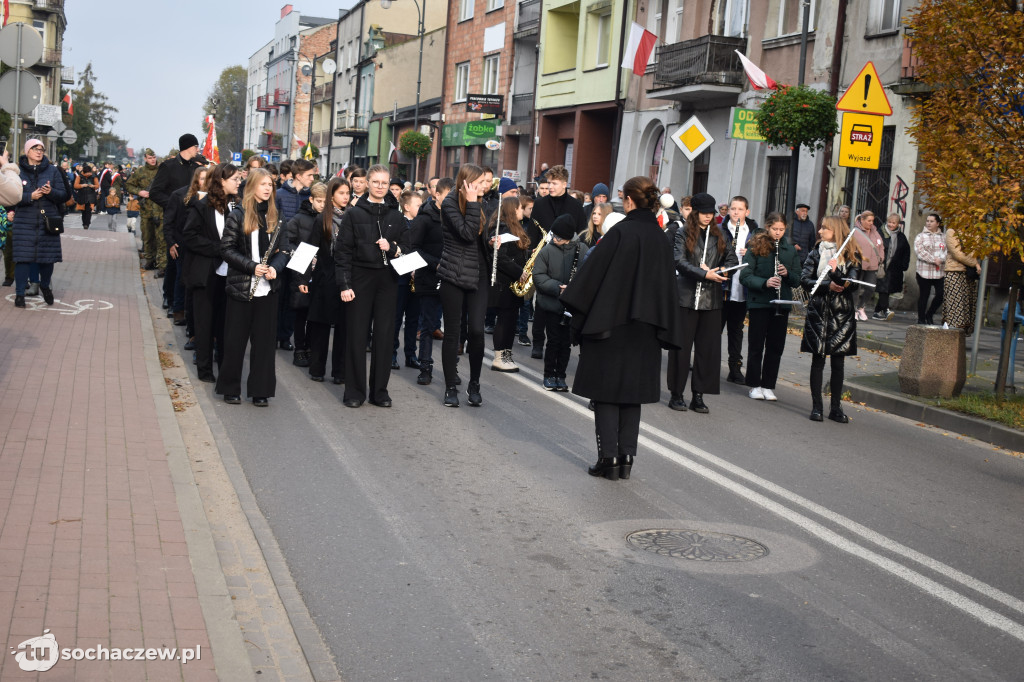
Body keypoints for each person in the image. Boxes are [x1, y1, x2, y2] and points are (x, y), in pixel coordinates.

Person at [561, 175, 681, 481]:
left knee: (606, 394)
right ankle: (626, 459)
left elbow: (591, 277)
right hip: (646, 330)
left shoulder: (619, 233)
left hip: (611, 326)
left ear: (628, 201)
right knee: (632, 395)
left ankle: (609, 460)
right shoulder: (659, 237)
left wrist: (574, 308)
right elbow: (668, 286)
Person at [335, 164, 409, 408]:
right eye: (375, 182)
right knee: (356, 335)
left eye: (384, 183)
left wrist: (394, 248)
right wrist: (345, 284)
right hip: (360, 278)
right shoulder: (354, 214)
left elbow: (408, 250)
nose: (380, 186)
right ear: (367, 183)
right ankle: (354, 392)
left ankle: (380, 392)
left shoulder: (396, 216)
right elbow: (342, 251)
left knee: (385, 337)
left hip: (387, 280)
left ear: (389, 186)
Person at [215, 168, 287, 406]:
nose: (268, 188)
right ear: (252, 186)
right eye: (263, 184)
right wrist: (251, 266)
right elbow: (226, 250)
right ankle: (230, 388)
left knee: (264, 344)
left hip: (268, 289)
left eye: (271, 185)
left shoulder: (277, 215)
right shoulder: (238, 214)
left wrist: (276, 266)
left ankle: (260, 391)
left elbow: (285, 250)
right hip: (241, 286)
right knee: (235, 341)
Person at [667, 192, 737, 413]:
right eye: (705, 213)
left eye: (711, 213)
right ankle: (676, 394)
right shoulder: (682, 233)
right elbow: (679, 261)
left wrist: (721, 271)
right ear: (695, 213)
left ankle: (699, 395)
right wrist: (702, 273)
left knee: (707, 351)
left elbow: (732, 259)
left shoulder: (721, 235)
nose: (709, 217)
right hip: (686, 298)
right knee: (681, 348)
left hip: (711, 300)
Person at [437, 164, 492, 407]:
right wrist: (472, 202)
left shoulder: (480, 201)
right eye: (479, 182)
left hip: (478, 274)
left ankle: (475, 384)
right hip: (454, 273)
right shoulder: (450, 202)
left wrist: (492, 242)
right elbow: (467, 233)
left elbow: (478, 239)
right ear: (467, 183)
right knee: (452, 333)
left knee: (477, 332)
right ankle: (450, 387)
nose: (483, 186)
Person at [182, 163, 241, 383]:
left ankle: (225, 368)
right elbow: (189, 236)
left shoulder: (235, 206)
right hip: (205, 274)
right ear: (221, 181)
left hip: (230, 275)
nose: (238, 182)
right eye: (234, 179)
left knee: (225, 324)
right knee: (205, 324)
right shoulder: (202, 205)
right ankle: (205, 369)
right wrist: (219, 249)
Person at [800, 216, 862, 423]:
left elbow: (852, 285)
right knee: (817, 361)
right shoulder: (815, 252)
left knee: (838, 363)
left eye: (825, 228)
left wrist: (836, 274)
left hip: (841, 315)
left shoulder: (851, 255)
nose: (820, 231)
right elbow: (805, 280)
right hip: (819, 311)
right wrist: (827, 285)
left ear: (835, 230)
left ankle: (835, 407)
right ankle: (816, 407)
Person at [740, 213, 801, 402]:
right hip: (760, 303)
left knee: (776, 347)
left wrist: (787, 273)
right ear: (768, 227)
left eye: (781, 230)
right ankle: (754, 385)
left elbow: (797, 279)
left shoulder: (790, 250)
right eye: (775, 229)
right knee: (756, 345)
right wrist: (765, 282)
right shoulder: (756, 246)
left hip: (781, 304)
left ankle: (768, 385)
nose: (778, 233)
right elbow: (745, 276)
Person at [533, 214, 588, 391]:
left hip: (572, 306)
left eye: (558, 236)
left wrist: (575, 288)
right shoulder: (547, 251)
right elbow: (539, 277)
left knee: (566, 344)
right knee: (554, 341)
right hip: (552, 304)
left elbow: (588, 275)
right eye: (553, 235)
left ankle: (561, 375)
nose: (554, 238)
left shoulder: (582, 249)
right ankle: (549, 375)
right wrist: (558, 287)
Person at [11, 139, 67, 308]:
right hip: (24, 221)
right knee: (22, 259)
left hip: (47, 221)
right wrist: (30, 197)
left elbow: (64, 195)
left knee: (47, 259)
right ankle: (20, 294)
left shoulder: (53, 170)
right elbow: (9, 195)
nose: (39, 151)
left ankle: (45, 286)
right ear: (27, 151)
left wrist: (51, 192)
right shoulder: (17, 171)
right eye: (35, 148)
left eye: (41, 149)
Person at [306, 178, 350, 384]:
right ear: (332, 195)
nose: (346, 197)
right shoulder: (321, 219)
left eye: (347, 193)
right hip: (324, 279)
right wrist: (301, 277)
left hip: (345, 279)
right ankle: (317, 368)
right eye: (341, 193)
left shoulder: (352, 218)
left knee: (343, 327)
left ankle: (339, 372)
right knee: (321, 327)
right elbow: (309, 249)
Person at [410, 178, 452, 385]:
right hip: (428, 278)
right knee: (428, 325)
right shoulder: (424, 218)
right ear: (437, 195)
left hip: (452, 279)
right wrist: (435, 264)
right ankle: (425, 367)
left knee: (452, 328)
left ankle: (450, 371)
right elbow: (413, 248)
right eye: (447, 196)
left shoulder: (457, 218)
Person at [150, 135, 207, 277]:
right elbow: (155, 192)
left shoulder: (196, 168)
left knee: (186, 268)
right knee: (173, 266)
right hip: (174, 222)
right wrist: (173, 203)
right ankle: (168, 297)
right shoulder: (168, 167)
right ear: (188, 147)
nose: (197, 149)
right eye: (196, 146)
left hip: (193, 221)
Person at [284, 181, 327, 367]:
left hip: (321, 273)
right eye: (319, 201)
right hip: (302, 270)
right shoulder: (298, 219)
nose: (323, 205)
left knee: (315, 314)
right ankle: (299, 349)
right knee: (301, 313)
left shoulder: (327, 218)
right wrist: (306, 256)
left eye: (326, 201)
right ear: (311, 200)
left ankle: (310, 347)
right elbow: (288, 242)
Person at [486, 197, 531, 373]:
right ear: (513, 210)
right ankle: (499, 356)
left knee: (511, 320)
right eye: (520, 208)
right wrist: (519, 272)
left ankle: (506, 354)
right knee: (504, 320)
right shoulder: (501, 229)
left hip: (511, 284)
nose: (522, 211)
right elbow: (501, 258)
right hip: (504, 284)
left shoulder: (514, 228)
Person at [720, 196, 759, 383]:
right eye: (733, 209)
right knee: (714, 329)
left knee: (736, 330)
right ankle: (708, 364)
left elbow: (761, 256)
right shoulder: (720, 230)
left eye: (740, 209)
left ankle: (735, 368)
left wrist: (750, 253)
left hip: (741, 288)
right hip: (723, 287)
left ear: (747, 212)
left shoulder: (754, 232)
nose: (736, 212)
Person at [164, 167, 207, 327]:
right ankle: (178, 310)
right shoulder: (180, 195)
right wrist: (170, 243)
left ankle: (191, 315)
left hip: (201, 247)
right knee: (181, 278)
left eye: (207, 178)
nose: (205, 182)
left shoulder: (213, 198)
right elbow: (169, 221)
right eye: (202, 178)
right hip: (181, 245)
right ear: (196, 180)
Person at [393, 189, 423, 370]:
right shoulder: (398, 224)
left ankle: (411, 354)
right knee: (396, 318)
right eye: (418, 205)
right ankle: (391, 354)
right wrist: (408, 266)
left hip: (416, 277)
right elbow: (396, 249)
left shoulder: (421, 224)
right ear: (406, 207)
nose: (421, 208)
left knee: (413, 319)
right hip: (400, 277)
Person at [943, 226, 982, 335]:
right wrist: (975, 264)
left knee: (967, 308)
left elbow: (976, 252)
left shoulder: (975, 233)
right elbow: (957, 254)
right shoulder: (951, 231)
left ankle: (961, 336)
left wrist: (974, 262)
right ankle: (951, 335)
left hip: (968, 274)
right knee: (955, 306)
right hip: (954, 271)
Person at [872, 214, 910, 320]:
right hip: (882, 266)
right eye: (889, 222)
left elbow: (906, 251)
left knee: (887, 290)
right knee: (883, 288)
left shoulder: (901, 236)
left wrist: (904, 265)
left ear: (898, 224)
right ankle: (886, 310)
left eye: (894, 223)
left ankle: (877, 311)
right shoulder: (880, 233)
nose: (891, 225)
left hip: (894, 268)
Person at [851, 210, 885, 321]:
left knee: (870, 287)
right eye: (869, 220)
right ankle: (854, 309)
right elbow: (850, 247)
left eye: (872, 221)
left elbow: (880, 246)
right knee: (856, 288)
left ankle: (861, 307)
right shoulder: (855, 231)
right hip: (858, 264)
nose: (871, 223)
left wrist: (881, 257)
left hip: (873, 265)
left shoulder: (875, 232)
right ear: (862, 220)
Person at [914, 213, 946, 325]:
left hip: (939, 272)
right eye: (927, 221)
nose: (929, 223)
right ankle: (921, 318)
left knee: (941, 293)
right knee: (924, 295)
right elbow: (919, 251)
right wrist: (933, 259)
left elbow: (947, 251)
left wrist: (941, 259)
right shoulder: (920, 236)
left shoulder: (943, 237)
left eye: (932, 221)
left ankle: (930, 314)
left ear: (937, 223)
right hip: (924, 271)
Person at [73, 163, 99, 230]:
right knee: (83, 211)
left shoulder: (94, 176)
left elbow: (97, 186)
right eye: (87, 173)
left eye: (89, 172)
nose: (88, 174)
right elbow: (75, 185)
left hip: (91, 196)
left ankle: (87, 224)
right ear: (84, 172)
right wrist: (82, 185)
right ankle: (84, 223)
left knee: (88, 211)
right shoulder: (79, 176)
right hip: (82, 196)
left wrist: (93, 186)